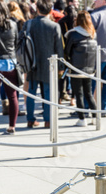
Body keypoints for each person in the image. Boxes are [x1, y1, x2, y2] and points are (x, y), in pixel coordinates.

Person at [24, 0, 64, 128]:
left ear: (38, 9)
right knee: (48, 92)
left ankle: (30, 119)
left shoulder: (28, 24)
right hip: (49, 63)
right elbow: (59, 48)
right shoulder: (54, 26)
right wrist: (61, 67)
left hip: (31, 61)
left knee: (31, 91)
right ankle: (48, 120)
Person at [0, 0, 19, 135]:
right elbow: (16, 43)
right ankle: (12, 126)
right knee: (13, 96)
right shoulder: (13, 25)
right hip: (10, 62)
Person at [65, 10, 97, 126]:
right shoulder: (92, 33)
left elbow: (67, 51)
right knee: (88, 94)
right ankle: (95, 118)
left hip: (76, 68)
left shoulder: (73, 34)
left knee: (78, 94)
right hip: (89, 69)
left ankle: (82, 119)